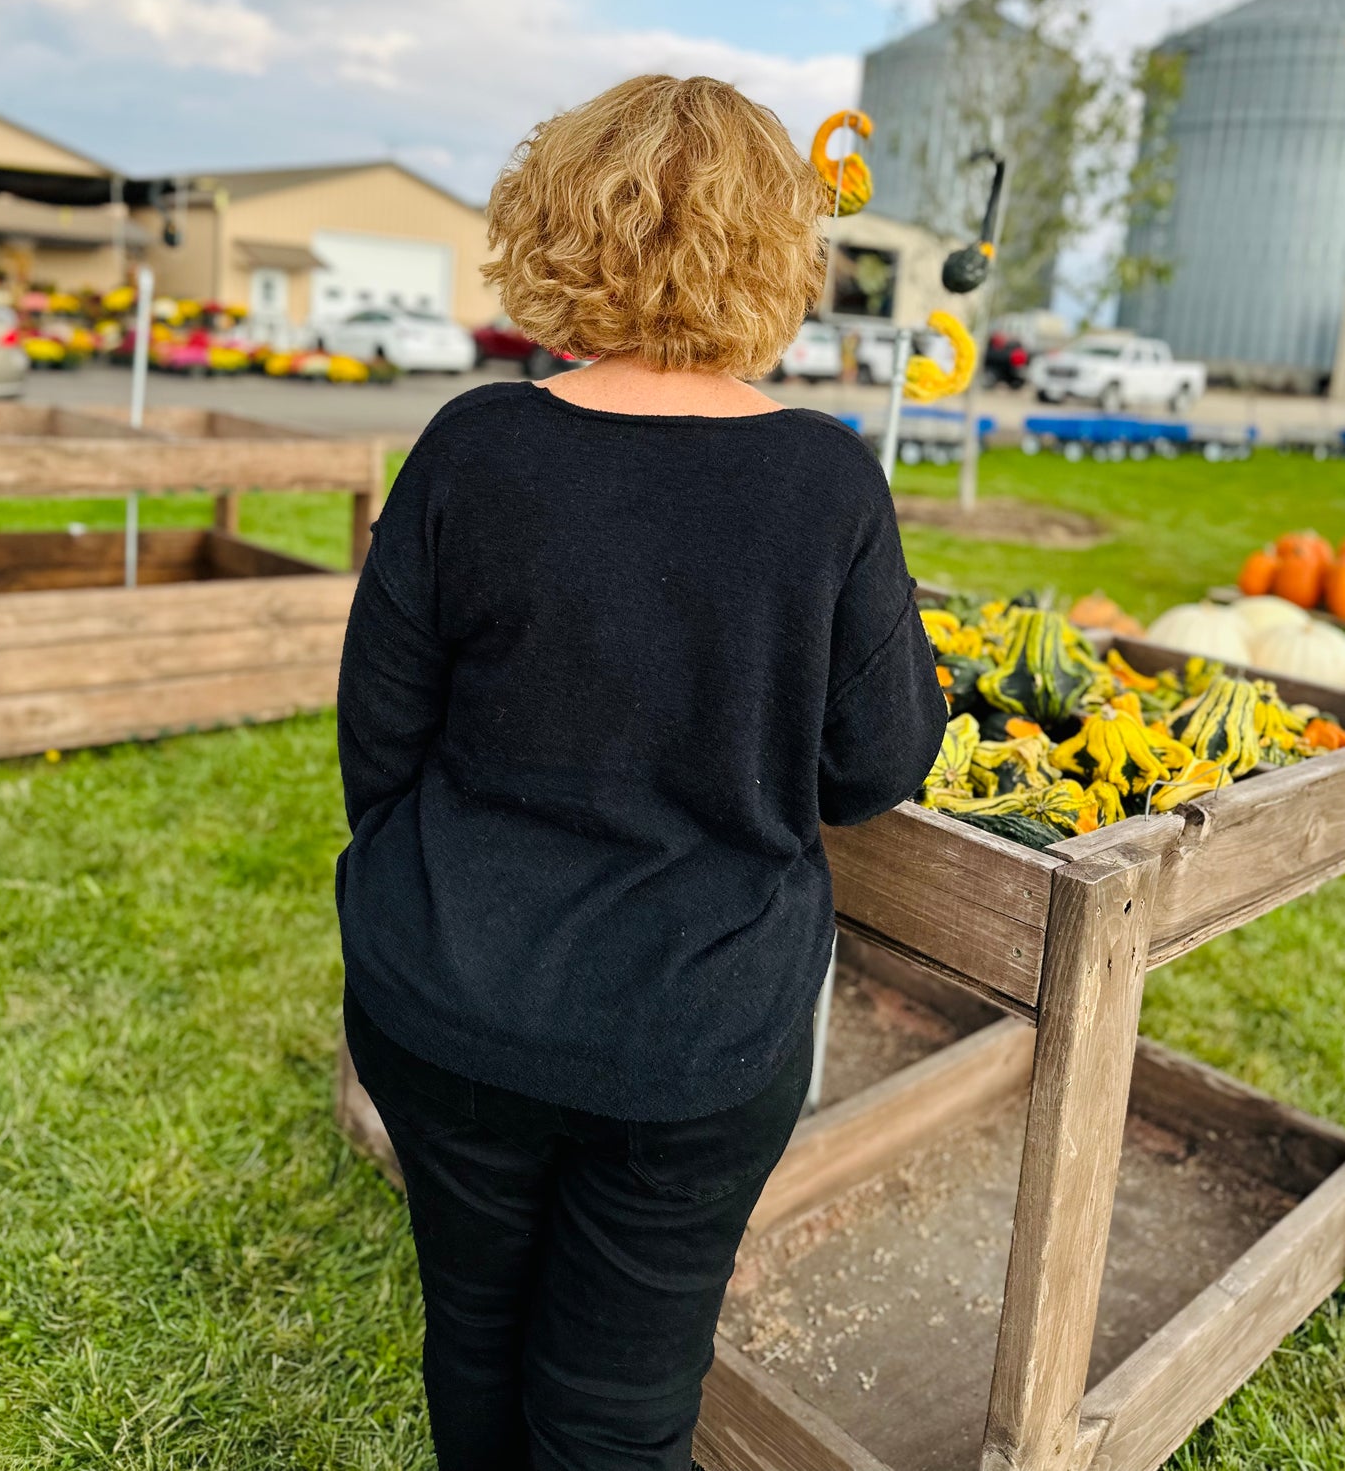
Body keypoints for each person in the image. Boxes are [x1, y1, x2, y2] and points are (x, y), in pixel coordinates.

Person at [336, 74, 947, 1471]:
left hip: (446, 998)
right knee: (616, 1412)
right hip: (696, 1031)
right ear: (776, 249)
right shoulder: (826, 482)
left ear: (559, 223)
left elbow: (379, 738)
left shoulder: (471, 445)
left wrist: (433, 897)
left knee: (474, 1341)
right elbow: (872, 767)